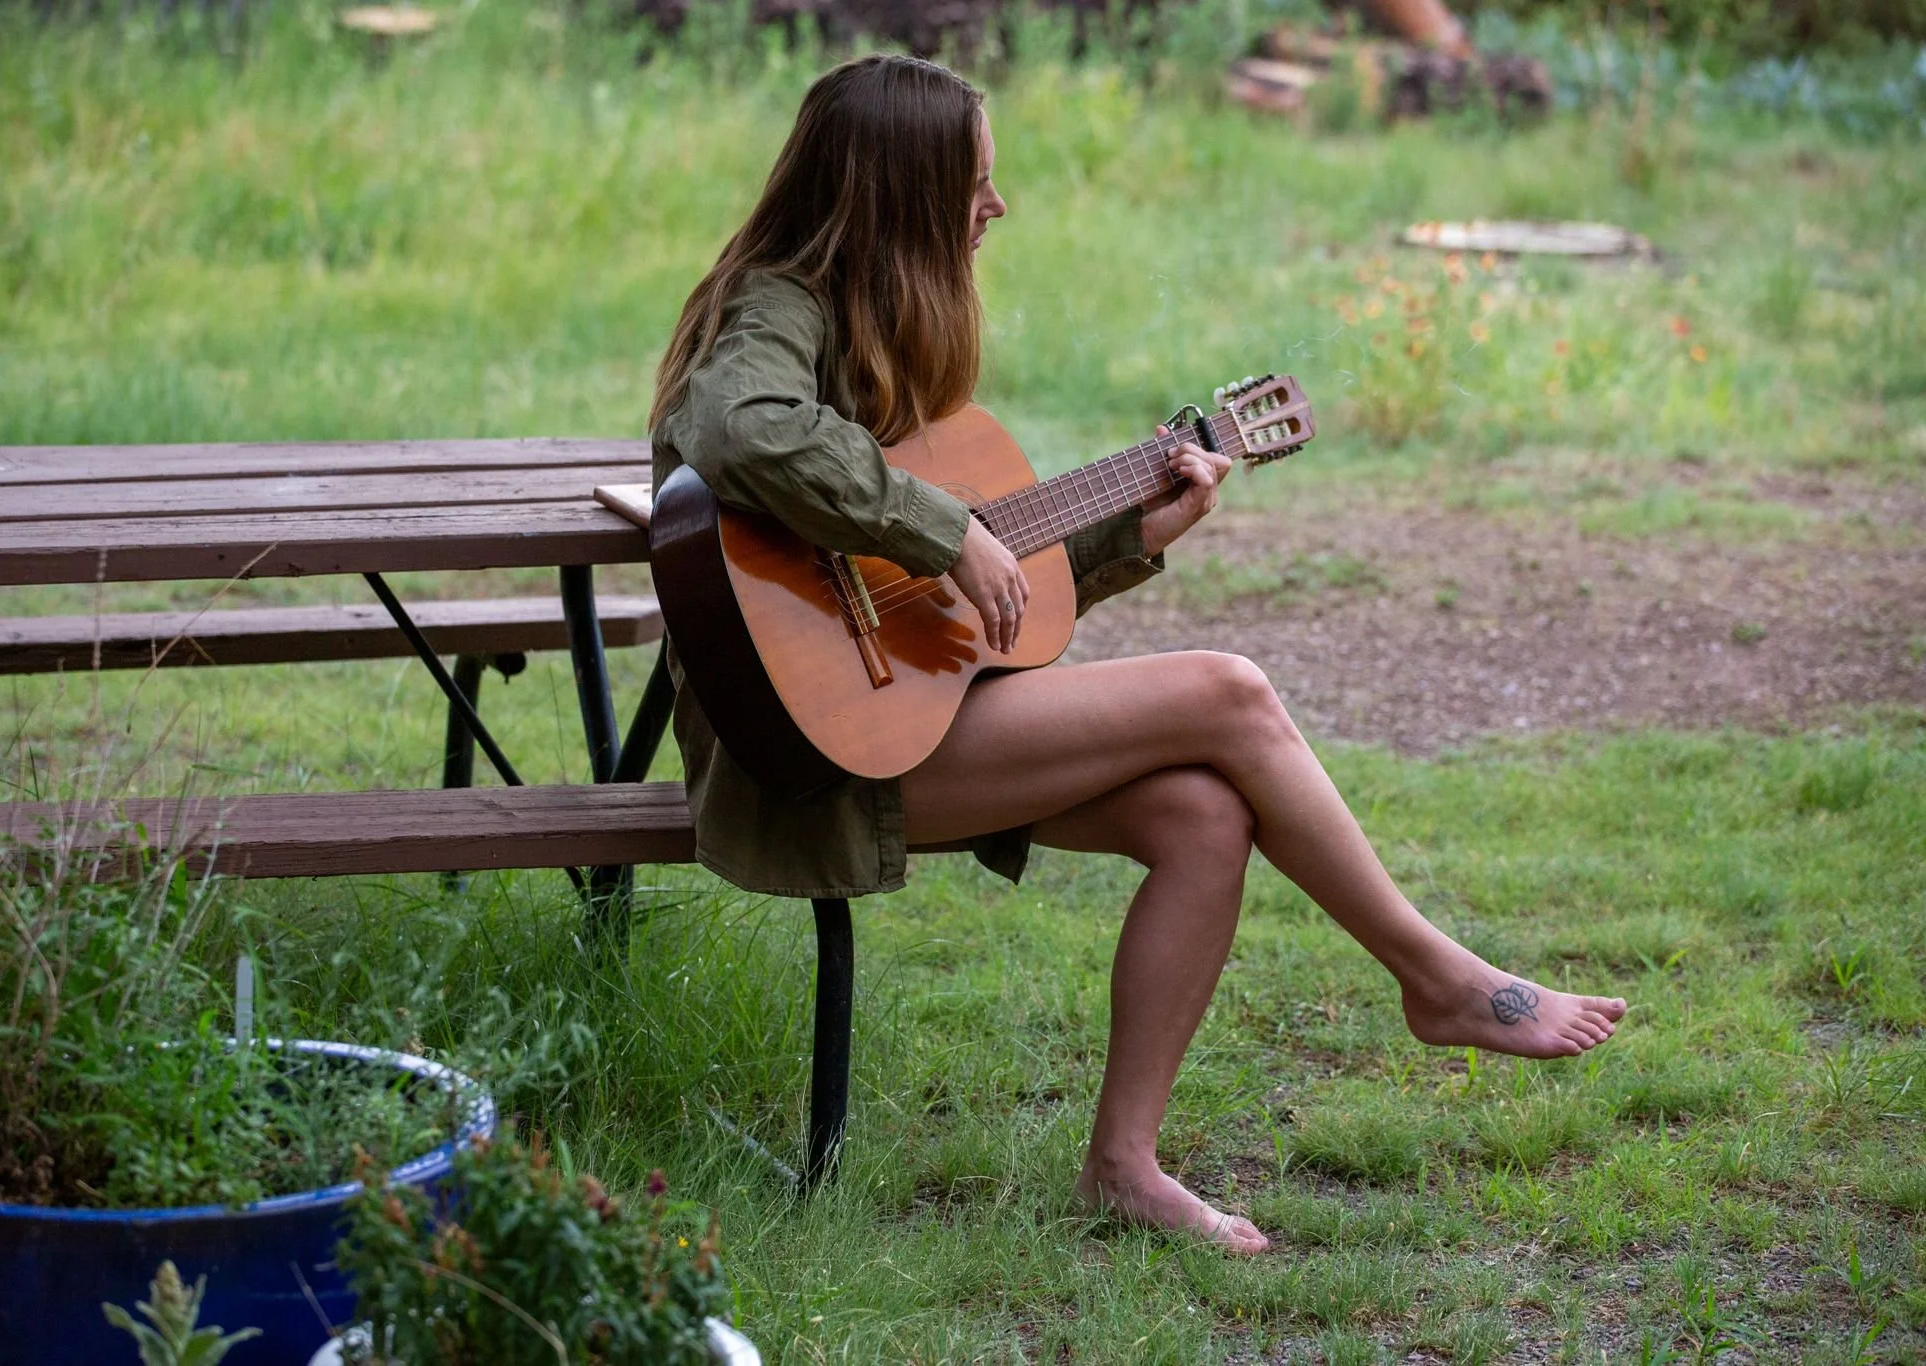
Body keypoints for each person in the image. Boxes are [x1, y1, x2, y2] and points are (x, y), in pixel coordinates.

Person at [647, 53, 1627, 1255]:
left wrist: (1122, 536)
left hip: (889, 713)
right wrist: (940, 526)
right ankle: (1435, 978)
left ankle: (1122, 1164)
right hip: (802, 757)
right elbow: (739, 432)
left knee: (1203, 818)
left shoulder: (871, 317)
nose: (994, 207)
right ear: (899, 188)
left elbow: (944, 610)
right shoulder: (773, 306)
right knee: (1229, 690)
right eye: (975, 183)